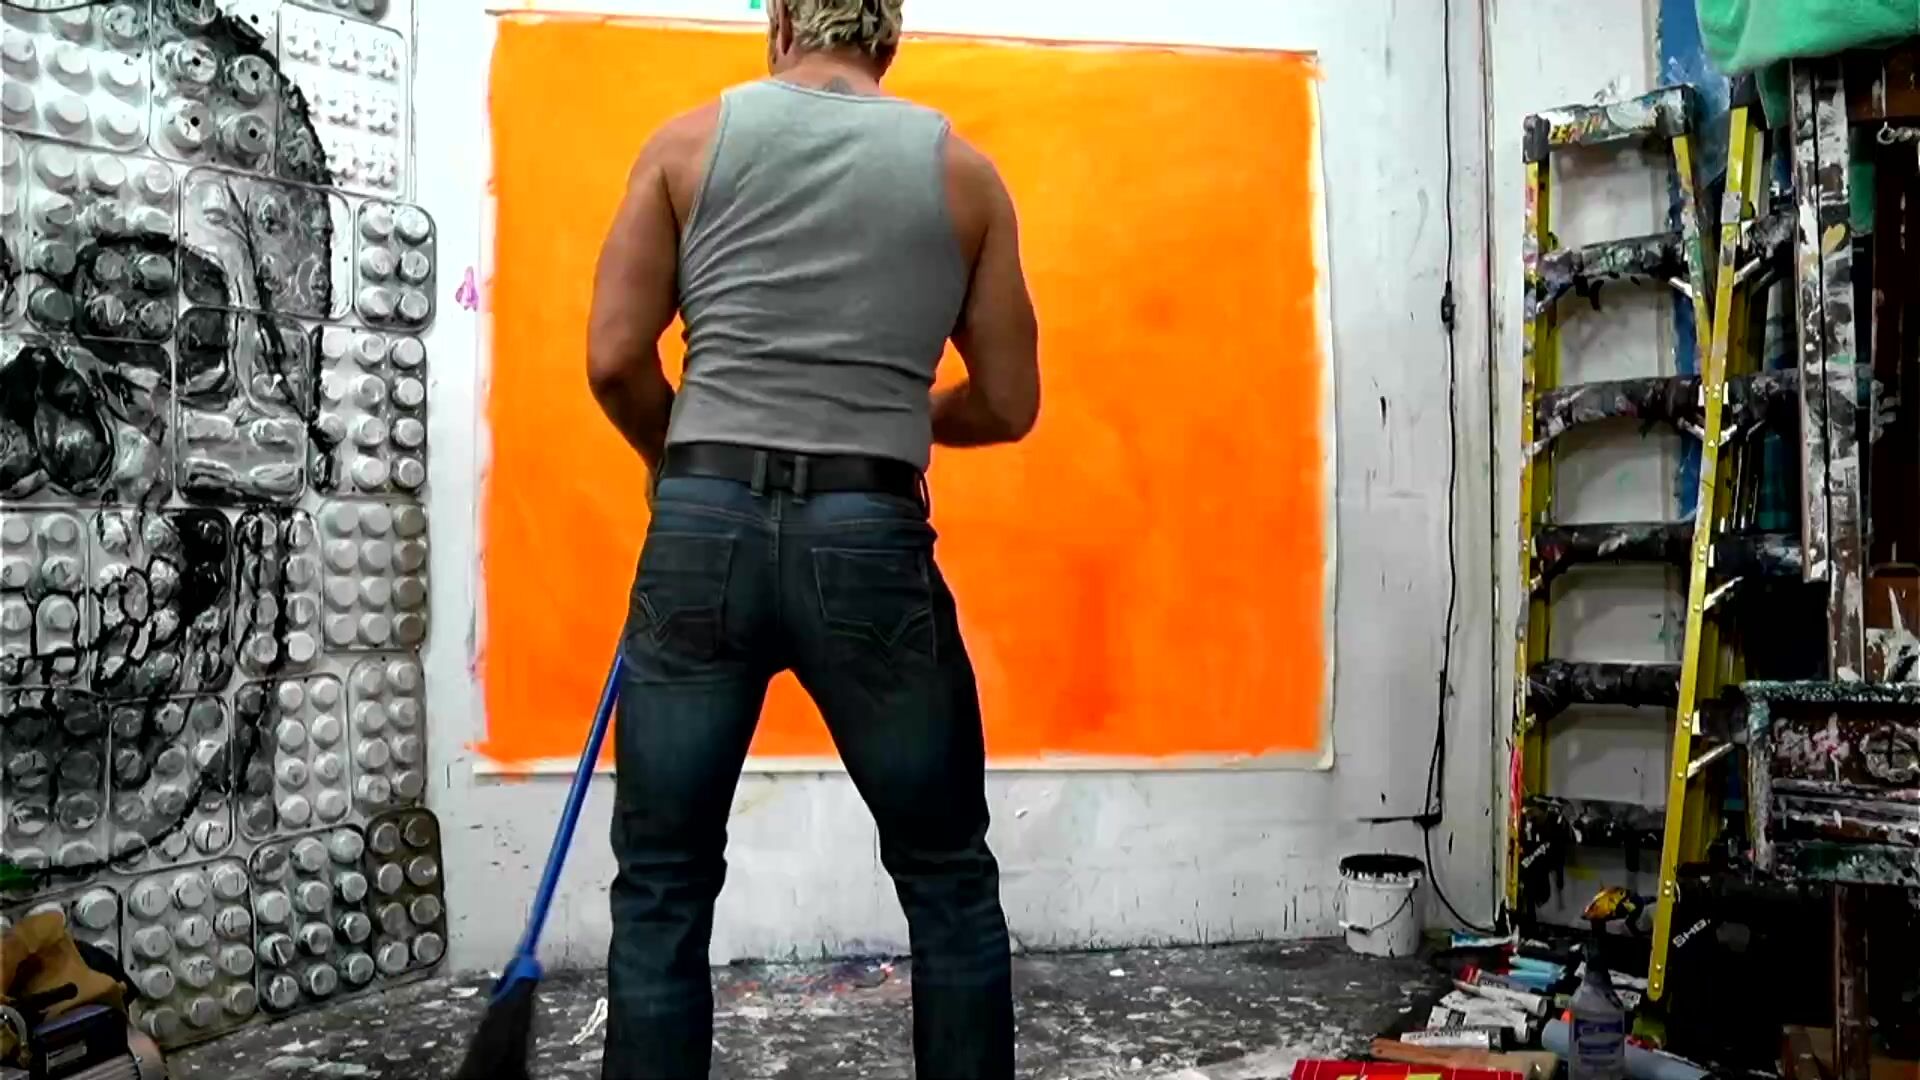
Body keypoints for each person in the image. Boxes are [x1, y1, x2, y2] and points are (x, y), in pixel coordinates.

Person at [584, 0, 1040, 1074]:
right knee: (946, 877)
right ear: (890, 35)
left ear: (784, 18)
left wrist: (676, 462)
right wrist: (900, 411)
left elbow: (614, 360)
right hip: (869, 532)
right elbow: (1010, 403)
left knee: (662, 882)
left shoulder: (686, 145)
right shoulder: (965, 178)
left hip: (702, 529)